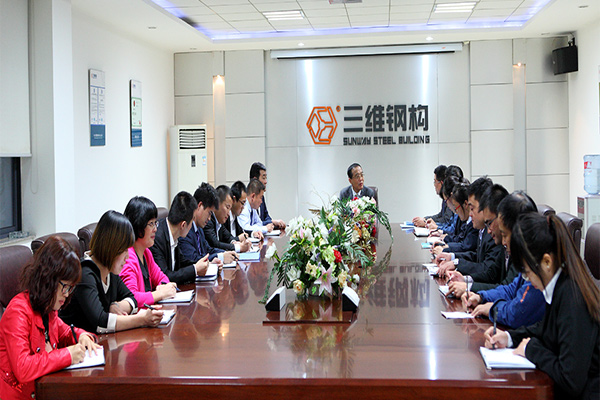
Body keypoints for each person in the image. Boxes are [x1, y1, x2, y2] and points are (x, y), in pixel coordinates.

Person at [484, 213, 600, 400]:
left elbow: (570, 380)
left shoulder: (572, 297)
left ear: (546, 262)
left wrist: (531, 349)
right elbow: (544, 330)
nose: (527, 279)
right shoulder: (560, 284)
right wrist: (509, 337)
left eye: (528, 272)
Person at [0, 236, 101, 400]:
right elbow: (23, 368)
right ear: (48, 279)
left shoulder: (48, 309)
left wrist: (83, 335)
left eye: (70, 288)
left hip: (46, 391)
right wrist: (67, 355)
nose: (66, 294)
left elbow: (66, 332)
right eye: (65, 286)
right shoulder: (18, 312)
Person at [60, 211, 164, 333]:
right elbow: (100, 322)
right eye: (124, 250)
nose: (127, 257)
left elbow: (132, 299)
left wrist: (115, 306)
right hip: (78, 342)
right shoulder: (85, 273)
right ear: (111, 247)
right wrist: (142, 320)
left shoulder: (110, 271)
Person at [458, 192, 546, 329]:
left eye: (505, 234)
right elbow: (511, 289)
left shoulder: (538, 265)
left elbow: (518, 313)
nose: (504, 242)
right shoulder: (527, 258)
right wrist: (482, 297)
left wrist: (493, 308)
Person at [436, 177, 501, 279]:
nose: (470, 214)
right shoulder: (483, 229)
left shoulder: (493, 232)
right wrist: (453, 258)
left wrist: (466, 283)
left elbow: (488, 270)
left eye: (472, 208)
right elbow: (477, 256)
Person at [119, 196, 178, 307]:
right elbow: (131, 299)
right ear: (138, 226)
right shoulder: (127, 258)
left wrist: (163, 286)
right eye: (151, 224)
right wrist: (160, 293)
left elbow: (162, 277)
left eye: (156, 223)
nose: (155, 229)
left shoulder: (146, 253)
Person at [150, 191, 211, 285]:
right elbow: (165, 277)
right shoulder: (156, 239)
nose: (192, 225)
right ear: (183, 225)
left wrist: (206, 264)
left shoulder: (174, 233)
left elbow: (182, 262)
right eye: (192, 220)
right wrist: (195, 269)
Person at [179, 182, 235, 264]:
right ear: (200, 206)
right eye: (209, 213)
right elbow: (192, 258)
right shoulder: (185, 229)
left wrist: (225, 253)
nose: (209, 218)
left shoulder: (199, 228)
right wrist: (220, 257)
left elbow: (208, 249)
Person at [431, 178, 478, 254]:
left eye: (456, 208)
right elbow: (460, 238)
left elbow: (466, 246)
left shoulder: (474, 223)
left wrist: (446, 248)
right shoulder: (466, 219)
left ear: (465, 204)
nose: (456, 212)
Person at [204, 185, 251, 252]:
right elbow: (215, 244)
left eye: (230, 209)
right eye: (227, 207)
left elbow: (228, 237)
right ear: (217, 204)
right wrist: (238, 247)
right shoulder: (208, 220)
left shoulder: (219, 222)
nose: (229, 214)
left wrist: (235, 243)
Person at [249, 162, 285, 229]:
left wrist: (271, 223)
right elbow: (252, 224)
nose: (266, 182)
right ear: (255, 180)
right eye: (263, 178)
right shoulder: (246, 199)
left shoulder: (261, 197)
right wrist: (272, 222)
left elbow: (266, 216)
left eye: (266, 178)